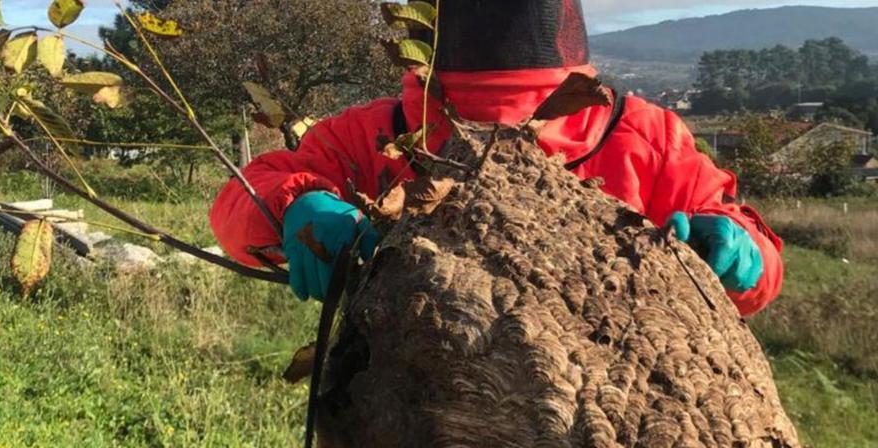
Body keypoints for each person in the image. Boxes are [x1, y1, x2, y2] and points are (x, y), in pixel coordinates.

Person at [209, 0, 782, 316]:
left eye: (524, 114)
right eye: (466, 115)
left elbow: (747, 254)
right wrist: (296, 204)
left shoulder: (645, 136)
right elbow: (245, 198)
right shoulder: (376, 133)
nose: (496, 139)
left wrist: (738, 248)